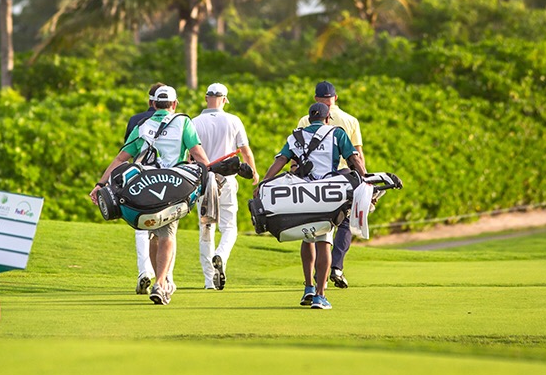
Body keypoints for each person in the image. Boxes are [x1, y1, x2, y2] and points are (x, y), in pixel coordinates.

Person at [91, 85, 210, 305]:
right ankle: (161, 282)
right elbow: (199, 155)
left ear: (153, 104)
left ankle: (160, 281)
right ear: (174, 104)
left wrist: (100, 183)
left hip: (143, 189)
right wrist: (207, 174)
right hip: (171, 186)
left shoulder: (142, 125)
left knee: (155, 233)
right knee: (167, 235)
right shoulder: (183, 122)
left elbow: (120, 159)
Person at [262, 102, 366, 310]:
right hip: (326, 194)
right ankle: (320, 295)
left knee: (307, 236)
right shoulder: (337, 133)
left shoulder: (296, 136)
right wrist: (366, 180)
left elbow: (281, 160)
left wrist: (263, 182)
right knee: (324, 241)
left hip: (302, 193)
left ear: (309, 119)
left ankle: (309, 287)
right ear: (328, 118)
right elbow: (354, 159)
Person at [297, 81, 364, 290]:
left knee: (314, 226)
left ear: (316, 98)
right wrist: (365, 181)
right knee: (345, 222)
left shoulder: (304, 119)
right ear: (336, 97)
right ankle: (335, 267)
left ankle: (315, 280)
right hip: (344, 175)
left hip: (313, 178)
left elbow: (298, 150)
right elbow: (358, 155)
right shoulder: (350, 120)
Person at [192, 82, 259, 290]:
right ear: (224, 100)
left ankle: (208, 281)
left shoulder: (194, 122)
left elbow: (189, 155)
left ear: (206, 98)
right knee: (229, 227)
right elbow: (245, 151)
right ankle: (220, 255)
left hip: (203, 180)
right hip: (227, 180)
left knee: (206, 228)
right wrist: (254, 173)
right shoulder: (233, 120)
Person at [123, 82, 168, 295]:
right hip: (167, 181)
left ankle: (144, 273)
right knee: (166, 231)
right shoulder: (176, 120)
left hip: (139, 178)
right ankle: (165, 277)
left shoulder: (135, 120)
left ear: (150, 101)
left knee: (141, 229)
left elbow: (127, 152)